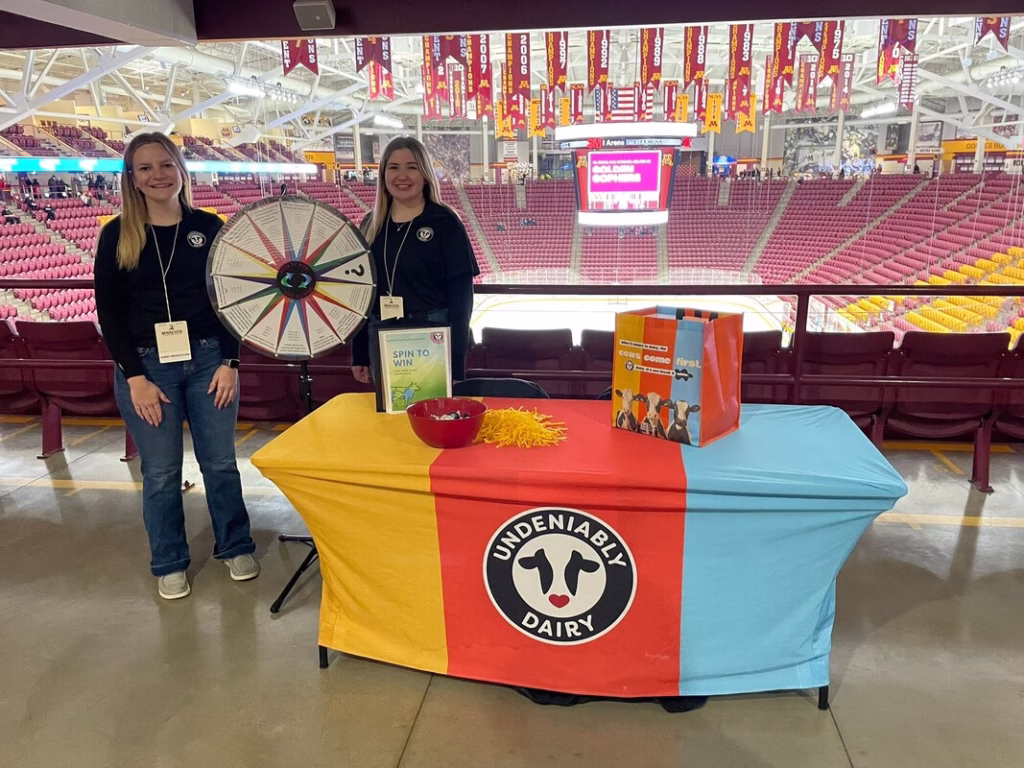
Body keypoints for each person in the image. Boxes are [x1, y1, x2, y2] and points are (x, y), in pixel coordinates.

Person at [94, 132, 258, 600]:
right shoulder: (117, 234)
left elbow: (231, 300)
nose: (157, 175)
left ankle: (236, 545)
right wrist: (135, 377)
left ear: (181, 169)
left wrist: (231, 361)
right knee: (162, 472)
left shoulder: (209, 227)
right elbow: (110, 313)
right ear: (132, 178)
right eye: (145, 168)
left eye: (165, 164)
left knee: (221, 463)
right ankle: (169, 559)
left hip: (209, 358)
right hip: (147, 368)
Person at [351, 136, 479, 386]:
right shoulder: (370, 225)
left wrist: (455, 366)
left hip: (432, 334)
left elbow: (462, 300)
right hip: (383, 334)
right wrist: (360, 353)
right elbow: (363, 294)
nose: (402, 176)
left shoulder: (445, 222)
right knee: (389, 418)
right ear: (383, 174)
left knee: (432, 417)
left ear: (425, 174)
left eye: (412, 167)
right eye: (393, 167)